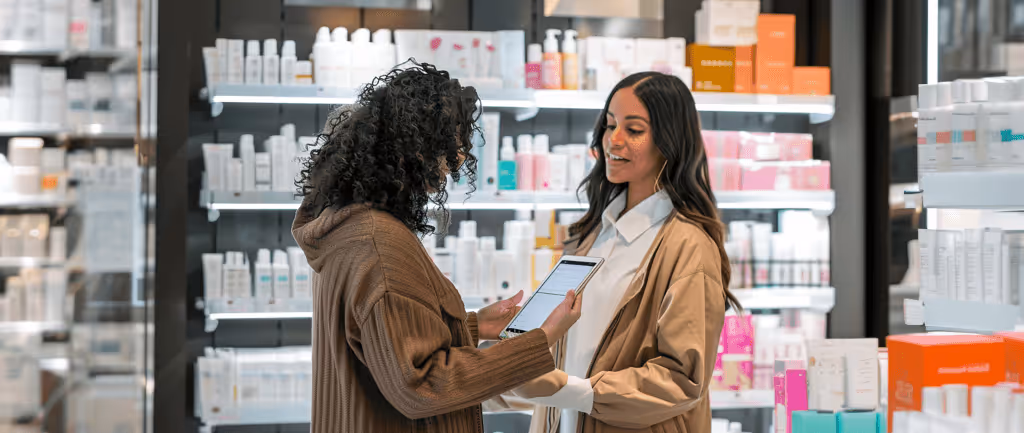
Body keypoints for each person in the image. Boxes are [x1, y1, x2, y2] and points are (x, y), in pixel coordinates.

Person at [292, 62, 583, 433]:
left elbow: (385, 344)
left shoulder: (349, 225)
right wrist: (540, 341)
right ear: (416, 145)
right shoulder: (380, 246)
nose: (458, 159)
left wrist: (471, 326)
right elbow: (421, 386)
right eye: (451, 143)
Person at [515, 72, 742, 433]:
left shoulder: (688, 248)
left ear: (669, 141)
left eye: (633, 130)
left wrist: (576, 391)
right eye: (609, 125)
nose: (613, 140)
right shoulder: (592, 233)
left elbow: (681, 380)